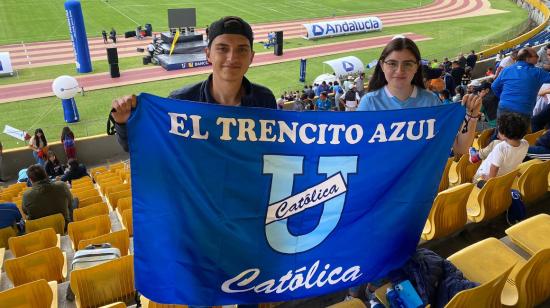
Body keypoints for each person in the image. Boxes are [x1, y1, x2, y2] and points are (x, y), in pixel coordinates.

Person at [110, 16, 276, 152]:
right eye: (222, 49)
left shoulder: (265, 100)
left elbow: (277, 149)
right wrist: (124, 123)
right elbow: (145, 147)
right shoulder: (181, 101)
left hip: (246, 191)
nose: (232, 58)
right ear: (208, 54)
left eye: (241, 49)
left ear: (252, 57)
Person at [357, 37, 481, 155]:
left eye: (407, 64)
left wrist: (472, 116)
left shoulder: (430, 101)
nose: (400, 70)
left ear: (416, 66)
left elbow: (461, 148)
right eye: (392, 63)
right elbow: (360, 152)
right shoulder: (369, 103)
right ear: (382, 65)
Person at [492, 47, 550, 128]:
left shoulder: (507, 70)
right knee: (518, 138)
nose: (538, 57)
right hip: (522, 111)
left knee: (501, 134)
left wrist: (504, 98)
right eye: (535, 55)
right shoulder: (537, 72)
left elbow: (494, 86)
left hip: (504, 107)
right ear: (528, 59)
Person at [470, 113, 528, 187]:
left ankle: (476, 157)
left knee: (474, 182)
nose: (497, 135)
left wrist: (489, 178)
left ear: (504, 135)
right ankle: (477, 155)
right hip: (504, 177)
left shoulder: (500, 148)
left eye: (499, 132)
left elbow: (494, 168)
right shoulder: (525, 143)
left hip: (486, 177)